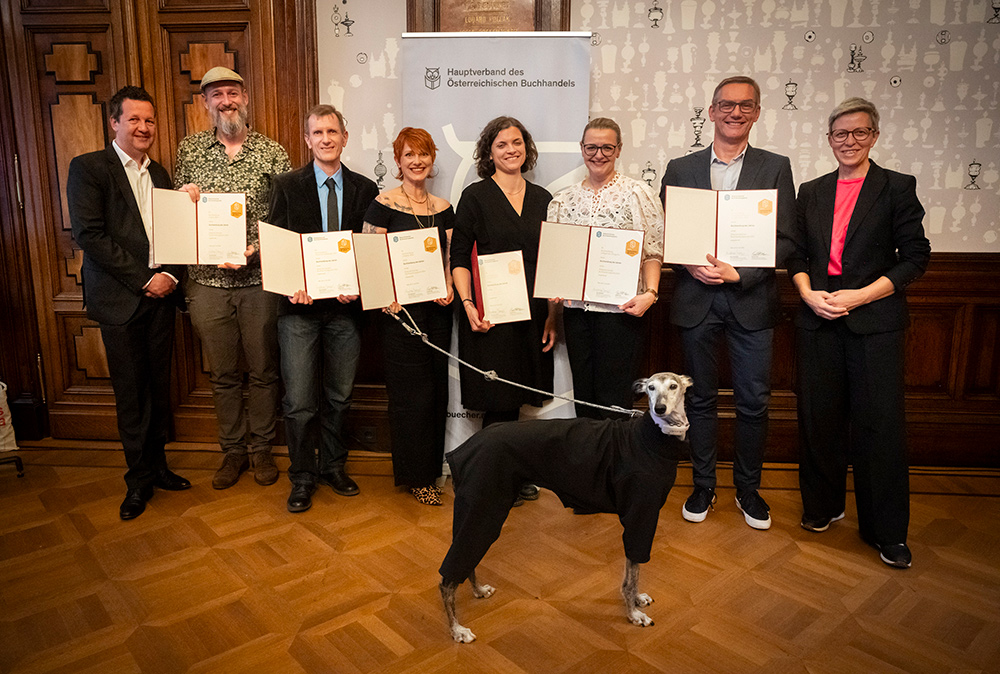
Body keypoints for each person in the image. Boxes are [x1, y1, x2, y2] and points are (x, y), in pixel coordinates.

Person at [789, 98, 930, 569]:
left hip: (874, 323)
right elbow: (796, 255)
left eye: (860, 133)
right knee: (819, 419)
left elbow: (915, 257)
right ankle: (823, 508)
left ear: (874, 136)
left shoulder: (896, 187)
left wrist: (860, 296)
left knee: (879, 427)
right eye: (840, 134)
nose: (849, 142)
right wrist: (808, 294)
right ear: (829, 139)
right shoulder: (810, 191)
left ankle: (886, 531)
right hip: (817, 317)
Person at [659, 76, 795, 530]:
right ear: (712, 111)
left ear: (756, 112)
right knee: (696, 401)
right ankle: (703, 486)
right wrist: (689, 265)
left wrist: (743, 273)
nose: (735, 113)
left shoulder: (776, 167)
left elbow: (786, 238)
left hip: (751, 301)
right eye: (726, 105)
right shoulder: (680, 169)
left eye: (745, 106)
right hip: (696, 301)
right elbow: (669, 236)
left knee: (753, 402)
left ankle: (748, 490)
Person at [67, 86, 190, 520]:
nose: (143, 128)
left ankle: (158, 468)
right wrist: (145, 280)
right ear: (114, 123)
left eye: (150, 121)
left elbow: (175, 234)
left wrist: (171, 275)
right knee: (132, 396)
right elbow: (90, 235)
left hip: (162, 299)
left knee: (158, 389)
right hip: (122, 301)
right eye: (134, 119)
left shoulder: (160, 175)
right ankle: (136, 481)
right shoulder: (89, 168)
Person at [174, 66, 291, 490]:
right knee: (222, 374)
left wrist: (255, 251)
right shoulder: (189, 151)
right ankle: (232, 452)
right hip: (206, 283)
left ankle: (261, 449)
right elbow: (176, 218)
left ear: (245, 98)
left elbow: (282, 218)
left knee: (263, 371)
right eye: (217, 94)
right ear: (205, 103)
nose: (226, 100)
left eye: (233, 93)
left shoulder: (273, 153)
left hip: (259, 282)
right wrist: (183, 201)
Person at [266, 104, 378, 513]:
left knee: (340, 396)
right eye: (318, 133)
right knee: (298, 401)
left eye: (333, 131)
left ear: (344, 138)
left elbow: (370, 252)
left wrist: (360, 287)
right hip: (299, 311)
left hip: (345, 312)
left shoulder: (367, 189)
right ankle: (302, 476)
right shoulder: (286, 185)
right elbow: (276, 245)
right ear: (308, 139)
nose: (326, 139)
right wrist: (290, 285)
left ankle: (333, 466)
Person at [450, 116, 557, 504]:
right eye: (501, 144)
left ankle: (507, 473)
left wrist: (552, 316)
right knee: (496, 402)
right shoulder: (476, 196)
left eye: (517, 142)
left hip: (531, 313)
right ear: (488, 153)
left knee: (517, 400)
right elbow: (459, 257)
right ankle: (485, 476)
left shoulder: (545, 198)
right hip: (489, 314)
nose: (511, 150)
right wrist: (467, 305)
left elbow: (552, 262)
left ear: (526, 147)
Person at [546, 117, 663, 419]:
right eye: (591, 147)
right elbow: (556, 261)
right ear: (581, 149)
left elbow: (652, 253)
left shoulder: (638, 194)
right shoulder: (562, 200)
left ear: (619, 149)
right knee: (584, 398)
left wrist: (650, 293)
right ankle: (589, 465)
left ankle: (615, 466)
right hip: (576, 313)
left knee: (615, 399)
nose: (598, 154)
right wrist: (553, 314)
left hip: (622, 312)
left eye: (606, 147)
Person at [362, 128, 454, 506]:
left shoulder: (444, 207)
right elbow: (370, 261)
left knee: (435, 392)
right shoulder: (382, 204)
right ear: (398, 161)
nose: (417, 161)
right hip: (400, 316)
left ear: (432, 160)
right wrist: (385, 295)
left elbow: (452, 257)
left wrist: (449, 285)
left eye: (424, 154)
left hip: (438, 312)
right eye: (409, 155)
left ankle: (432, 470)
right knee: (410, 397)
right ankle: (415, 476)